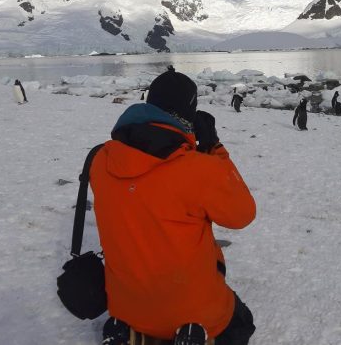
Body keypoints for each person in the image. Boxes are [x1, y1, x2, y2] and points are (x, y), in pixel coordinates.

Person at [90, 67, 257, 345]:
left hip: (125, 306)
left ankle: (133, 332)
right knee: (241, 322)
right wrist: (214, 147)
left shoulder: (100, 160)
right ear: (189, 113)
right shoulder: (199, 170)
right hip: (189, 312)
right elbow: (242, 214)